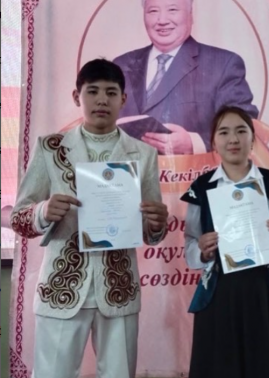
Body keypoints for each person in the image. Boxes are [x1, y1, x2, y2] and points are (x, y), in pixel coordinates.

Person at [10, 59, 169, 378]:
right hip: (62, 285)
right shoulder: (51, 148)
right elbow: (18, 218)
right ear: (76, 96)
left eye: (111, 92)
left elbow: (152, 229)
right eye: (92, 91)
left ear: (123, 99)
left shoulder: (143, 153)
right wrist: (43, 211)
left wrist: (156, 224)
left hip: (119, 287)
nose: (101, 100)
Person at [180, 106, 269, 378]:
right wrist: (203, 250)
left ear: (253, 140)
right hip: (220, 294)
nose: (233, 139)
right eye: (224, 132)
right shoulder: (202, 188)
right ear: (213, 141)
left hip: (268, 293)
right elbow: (191, 244)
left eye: (241, 131)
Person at [113, 0, 259, 155]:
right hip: (129, 171)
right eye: (153, 11)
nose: (162, 20)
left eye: (172, 10)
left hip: (192, 169)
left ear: (191, 15)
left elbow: (245, 124)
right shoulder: (121, 65)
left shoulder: (223, 64)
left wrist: (194, 143)